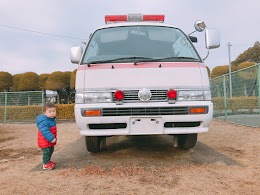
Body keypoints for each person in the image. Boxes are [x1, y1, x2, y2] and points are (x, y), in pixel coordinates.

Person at [36, 103, 57, 170]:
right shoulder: (43, 121)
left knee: (51, 150)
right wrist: (51, 138)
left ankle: (48, 161)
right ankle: (45, 164)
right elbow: (45, 131)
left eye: (54, 111)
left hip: (49, 141)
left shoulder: (51, 119)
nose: (52, 113)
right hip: (45, 141)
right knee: (47, 152)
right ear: (44, 113)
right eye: (50, 112)